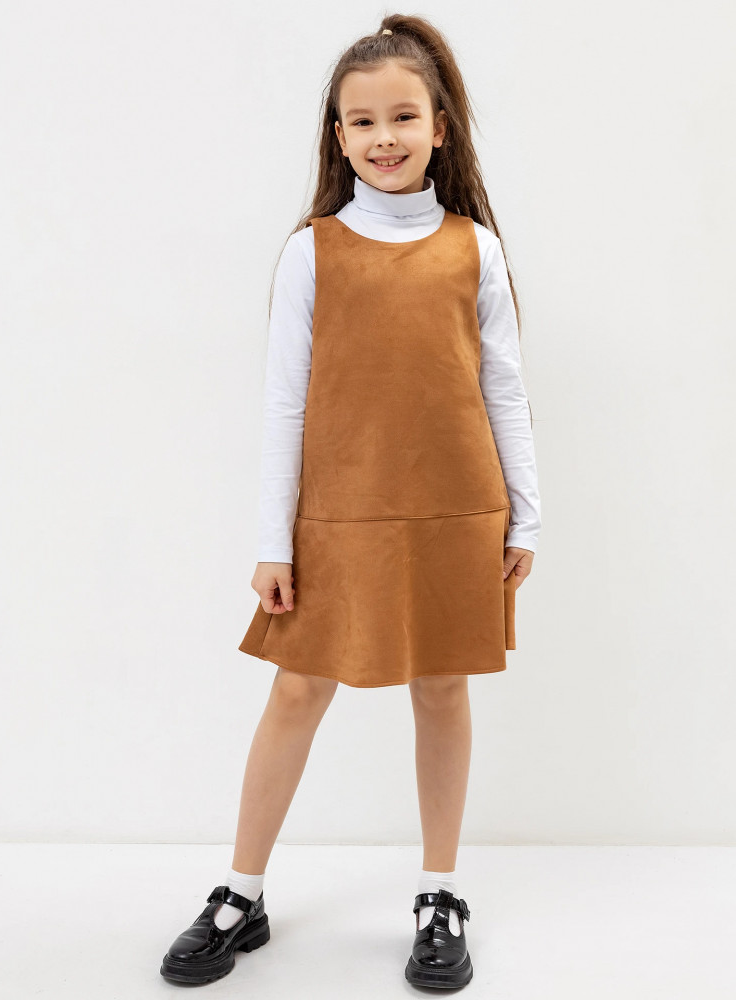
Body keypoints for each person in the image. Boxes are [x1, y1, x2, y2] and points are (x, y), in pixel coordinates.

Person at [160, 13, 541, 991]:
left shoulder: (475, 249)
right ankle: (241, 892)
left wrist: (525, 514)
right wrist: (273, 540)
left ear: (440, 128)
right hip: (337, 516)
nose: (383, 136)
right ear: (338, 136)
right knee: (297, 689)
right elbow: (285, 400)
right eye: (362, 121)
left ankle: (440, 892)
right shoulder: (312, 251)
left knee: (442, 689)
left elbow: (503, 387)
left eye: (403, 116)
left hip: (456, 511)